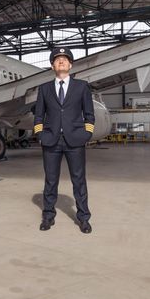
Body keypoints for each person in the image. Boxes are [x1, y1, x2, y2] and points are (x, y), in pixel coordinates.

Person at [33, 47, 95, 233]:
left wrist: (86, 134)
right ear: (52, 65)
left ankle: (83, 218)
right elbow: (38, 117)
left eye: (65, 59)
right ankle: (48, 216)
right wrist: (41, 135)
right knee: (51, 181)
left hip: (75, 141)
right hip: (51, 141)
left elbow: (89, 116)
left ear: (71, 65)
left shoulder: (82, 87)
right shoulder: (44, 89)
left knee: (79, 180)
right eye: (57, 59)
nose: (61, 61)